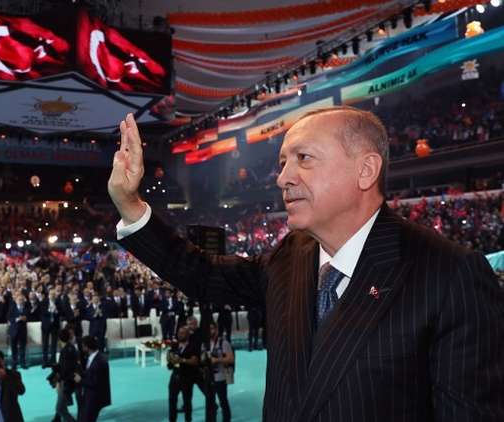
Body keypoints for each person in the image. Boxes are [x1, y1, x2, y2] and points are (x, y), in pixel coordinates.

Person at [108, 110, 504, 420]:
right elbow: (203, 274)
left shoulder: (449, 274)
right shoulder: (291, 255)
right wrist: (130, 205)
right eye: (283, 163)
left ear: (365, 170)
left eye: (303, 158)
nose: (282, 178)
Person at [167, 326, 200, 422]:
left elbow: (195, 361)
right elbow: (170, 359)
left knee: (187, 402)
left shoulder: (193, 346)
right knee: (172, 401)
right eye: (179, 333)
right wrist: (170, 359)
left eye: (182, 333)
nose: (179, 335)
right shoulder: (175, 345)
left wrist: (182, 360)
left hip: (187, 378)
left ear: (188, 335)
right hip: (175, 377)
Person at [202, 322, 233, 422]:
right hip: (209, 377)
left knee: (223, 401)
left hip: (220, 377)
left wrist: (217, 360)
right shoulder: (205, 344)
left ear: (216, 330)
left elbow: (230, 359)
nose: (210, 331)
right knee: (210, 403)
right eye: (208, 329)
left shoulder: (223, 343)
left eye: (212, 328)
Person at [75, 336, 110, 422]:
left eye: (83, 346)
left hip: (94, 399)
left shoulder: (99, 361)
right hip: (90, 397)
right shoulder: (93, 358)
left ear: (87, 347)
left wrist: (80, 380)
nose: (82, 348)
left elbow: (95, 382)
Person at [54, 328, 79, 422]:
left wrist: (58, 380)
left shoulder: (65, 351)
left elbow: (65, 369)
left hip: (66, 383)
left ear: (60, 339)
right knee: (62, 407)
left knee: (60, 408)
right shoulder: (72, 348)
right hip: (69, 381)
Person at [7, 294, 29, 369]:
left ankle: (23, 363)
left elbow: (28, 317)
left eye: (22, 300)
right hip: (14, 331)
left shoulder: (26, 309)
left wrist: (25, 318)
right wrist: (17, 319)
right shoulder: (12, 308)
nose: (21, 301)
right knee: (14, 348)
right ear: (16, 301)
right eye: (19, 300)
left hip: (22, 331)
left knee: (22, 348)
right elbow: (9, 318)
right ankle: (14, 363)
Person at [41, 289, 61, 367]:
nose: (52, 296)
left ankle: (53, 361)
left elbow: (61, 312)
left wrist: (56, 311)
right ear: (49, 294)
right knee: (45, 344)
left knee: (54, 344)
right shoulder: (44, 301)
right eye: (51, 294)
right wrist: (50, 311)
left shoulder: (58, 302)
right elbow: (42, 312)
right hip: (46, 325)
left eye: (54, 294)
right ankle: (44, 361)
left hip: (55, 326)